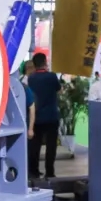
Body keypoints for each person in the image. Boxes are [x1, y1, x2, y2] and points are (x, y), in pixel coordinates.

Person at [27, 52, 62, 181]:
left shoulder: (31, 78)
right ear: (45, 62)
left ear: (34, 64)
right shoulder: (52, 76)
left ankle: (34, 171)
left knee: (35, 146)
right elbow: (59, 90)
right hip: (51, 116)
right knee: (51, 146)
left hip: (36, 117)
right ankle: (50, 172)